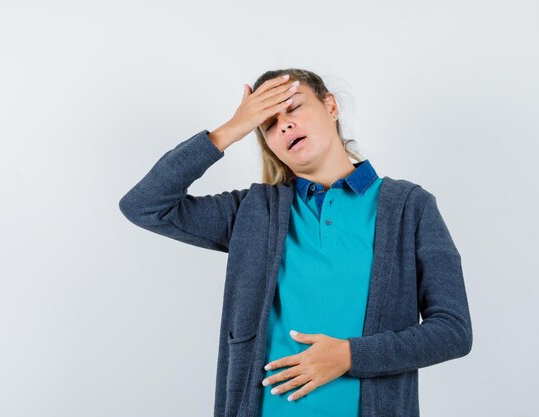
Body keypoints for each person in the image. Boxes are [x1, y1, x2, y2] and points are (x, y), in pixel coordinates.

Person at [119, 68, 473, 417]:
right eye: (268, 123)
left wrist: (350, 356)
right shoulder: (253, 212)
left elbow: (453, 330)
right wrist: (231, 129)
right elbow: (145, 205)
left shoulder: (410, 206)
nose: (284, 124)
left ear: (330, 106)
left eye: (293, 107)